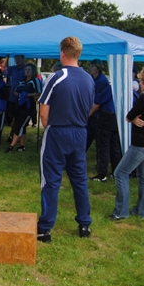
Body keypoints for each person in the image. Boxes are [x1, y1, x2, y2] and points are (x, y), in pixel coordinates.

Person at [37, 37, 95, 243]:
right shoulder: (89, 79)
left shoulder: (57, 77)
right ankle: (84, 224)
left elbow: (43, 111)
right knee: (79, 179)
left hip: (59, 131)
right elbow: (89, 107)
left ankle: (45, 228)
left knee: (51, 180)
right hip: (80, 132)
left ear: (62, 53)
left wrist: (52, 129)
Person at [109, 68, 144, 221]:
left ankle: (121, 212)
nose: (139, 83)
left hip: (141, 143)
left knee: (120, 173)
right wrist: (134, 119)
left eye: (141, 81)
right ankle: (142, 212)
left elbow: (129, 116)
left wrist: (133, 119)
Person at [88, 59, 122, 183]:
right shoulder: (124, 88)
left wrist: (87, 115)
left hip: (106, 117)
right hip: (116, 117)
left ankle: (102, 174)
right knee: (114, 146)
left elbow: (97, 102)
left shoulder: (108, 86)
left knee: (103, 146)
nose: (90, 68)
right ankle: (116, 172)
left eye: (92, 66)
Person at [5, 63, 41, 153]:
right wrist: (20, 95)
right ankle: (22, 146)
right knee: (21, 126)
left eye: (29, 70)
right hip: (19, 106)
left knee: (19, 126)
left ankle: (11, 146)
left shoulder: (35, 80)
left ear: (33, 71)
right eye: (26, 69)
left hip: (28, 108)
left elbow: (39, 92)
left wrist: (27, 95)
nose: (27, 71)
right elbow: (15, 91)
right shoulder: (22, 80)